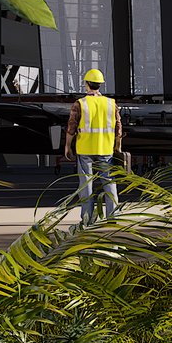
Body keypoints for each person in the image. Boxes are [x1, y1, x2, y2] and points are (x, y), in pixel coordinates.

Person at [66, 66, 123, 227]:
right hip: (105, 149)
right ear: (100, 84)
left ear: (87, 84)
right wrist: (117, 147)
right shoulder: (111, 104)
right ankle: (113, 216)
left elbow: (71, 127)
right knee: (109, 183)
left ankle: (87, 219)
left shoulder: (80, 104)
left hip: (85, 150)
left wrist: (67, 147)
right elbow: (119, 128)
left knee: (86, 185)